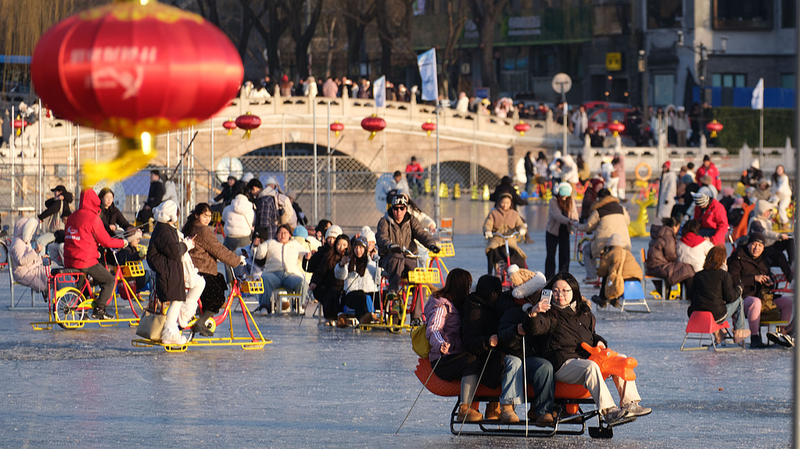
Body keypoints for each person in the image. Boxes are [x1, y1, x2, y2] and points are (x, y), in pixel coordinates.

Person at [526, 272, 651, 425]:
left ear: (574, 291)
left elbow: (592, 335)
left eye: (565, 290)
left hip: (585, 357)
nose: (560, 295)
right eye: (556, 290)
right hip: (562, 363)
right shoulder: (547, 313)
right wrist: (533, 313)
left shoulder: (583, 312)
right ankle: (609, 411)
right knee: (590, 367)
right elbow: (535, 329)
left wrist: (600, 342)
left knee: (621, 359)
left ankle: (630, 403)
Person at [425, 269, 500, 423]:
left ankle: (493, 404)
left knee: (487, 358)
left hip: (456, 354)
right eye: (468, 284)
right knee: (471, 360)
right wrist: (440, 344)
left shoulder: (458, 304)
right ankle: (464, 408)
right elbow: (434, 328)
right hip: (443, 359)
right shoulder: (442, 305)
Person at [496, 267, 556, 426]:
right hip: (512, 353)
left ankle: (542, 410)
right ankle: (507, 407)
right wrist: (516, 330)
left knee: (545, 367)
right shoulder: (511, 310)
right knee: (514, 363)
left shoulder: (546, 311)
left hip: (531, 356)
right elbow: (502, 336)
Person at [182, 203, 247, 335]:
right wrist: (236, 260)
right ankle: (201, 322)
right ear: (197, 215)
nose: (207, 219)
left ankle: (203, 318)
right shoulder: (203, 230)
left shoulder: (190, 227)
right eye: (205, 216)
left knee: (219, 279)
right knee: (217, 297)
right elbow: (218, 249)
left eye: (209, 216)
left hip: (194, 268)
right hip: (202, 270)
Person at [147, 200, 205, 345]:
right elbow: (174, 251)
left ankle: (174, 329)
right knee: (176, 301)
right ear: (172, 215)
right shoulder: (163, 230)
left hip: (170, 271)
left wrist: (185, 244)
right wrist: (187, 245)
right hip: (168, 273)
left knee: (177, 301)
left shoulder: (164, 228)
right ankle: (170, 334)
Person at [63, 189, 127, 320]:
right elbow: (106, 241)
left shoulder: (73, 216)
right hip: (85, 260)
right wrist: (122, 243)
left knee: (81, 284)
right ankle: (100, 308)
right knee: (109, 281)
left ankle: (83, 310)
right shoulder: (93, 218)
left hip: (70, 259)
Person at [376, 195, 440, 324]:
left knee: (420, 280)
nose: (398, 212)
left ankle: (416, 317)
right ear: (392, 209)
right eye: (395, 209)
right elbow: (381, 237)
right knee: (397, 257)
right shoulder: (385, 221)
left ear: (406, 209)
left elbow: (421, 233)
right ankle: (393, 291)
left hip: (408, 258)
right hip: (390, 258)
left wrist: (431, 244)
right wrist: (390, 245)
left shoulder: (411, 220)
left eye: (401, 208)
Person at [728, 232, 794, 348]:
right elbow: (732, 281)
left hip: (764, 296)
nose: (756, 248)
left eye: (760, 245)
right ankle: (755, 337)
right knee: (755, 302)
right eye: (754, 244)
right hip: (744, 298)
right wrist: (754, 279)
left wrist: (770, 282)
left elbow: (769, 278)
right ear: (748, 245)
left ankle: (782, 335)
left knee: (787, 302)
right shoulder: (737, 258)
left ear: (763, 248)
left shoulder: (764, 259)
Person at [461, 275, 507, 422]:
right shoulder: (476, 311)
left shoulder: (488, 306)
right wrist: (487, 342)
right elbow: (468, 340)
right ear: (493, 294)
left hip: (489, 351)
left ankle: (494, 405)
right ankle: (466, 407)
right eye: (499, 292)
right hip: (479, 353)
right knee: (498, 361)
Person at [687, 246, 749, 344]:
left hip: (696, 315)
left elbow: (691, 296)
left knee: (712, 304)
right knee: (739, 300)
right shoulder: (724, 275)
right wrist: (739, 288)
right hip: (716, 316)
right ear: (723, 260)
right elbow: (731, 298)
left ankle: (719, 334)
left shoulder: (698, 275)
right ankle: (739, 331)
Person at [254, 224, 310, 316]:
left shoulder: (294, 244)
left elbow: (303, 253)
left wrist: (307, 255)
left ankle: (299, 305)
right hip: (273, 274)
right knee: (265, 279)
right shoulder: (270, 243)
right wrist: (257, 246)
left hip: (290, 275)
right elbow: (259, 255)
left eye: (285, 233)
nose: (282, 235)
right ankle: (264, 306)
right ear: (276, 234)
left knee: (302, 282)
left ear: (289, 235)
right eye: (280, 233)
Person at [577, 188, 631, 284]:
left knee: (586, 249)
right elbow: (628, 222)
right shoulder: (622, 209)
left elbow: (588, 227)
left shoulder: (599, 211)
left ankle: (592, 276)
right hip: (624, 243)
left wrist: (577, 226)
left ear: (599, 198)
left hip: (604, 244)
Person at [335, 236, 379, 325]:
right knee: (360, 295)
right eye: (356, 248)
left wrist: (379, 265)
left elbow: (378, 280)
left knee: (384, 295)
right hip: (352, 295)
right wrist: (341, 265)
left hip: (370, 293)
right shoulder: (349, 262)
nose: (358, 250)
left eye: (360, 248)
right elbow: (340, 276)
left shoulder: (372, 264)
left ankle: (395, 315)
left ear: (365, 249)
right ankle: (363, 317)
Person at [645, 217, 695, 295]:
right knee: (688, 269)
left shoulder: (660, 233)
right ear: (674, 227)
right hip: (659, 267)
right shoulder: (668, 236)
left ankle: (683, 294)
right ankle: (690, 295)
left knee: (684, 269)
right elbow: (671, 256)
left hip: (653, 266)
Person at [748, 200, 794, 282]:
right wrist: (779, 236)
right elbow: (764, 232)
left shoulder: (767, 221)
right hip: (762, 249)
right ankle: (792, 279)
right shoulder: (755, 222)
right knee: (781, 256)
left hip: (771, 245)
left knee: (790, 241)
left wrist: (786, 235)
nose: (769, 213)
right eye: (767, 211)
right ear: (761, 211)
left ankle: (793, 264)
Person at [593, 233, 643, 309]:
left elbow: (601, 272)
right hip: (637, 279)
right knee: (617, 275)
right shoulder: (627, 252)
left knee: (607, 276)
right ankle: (615, 299)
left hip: (622, 280)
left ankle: (602, 299)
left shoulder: (610, 253)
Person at [484, 193, 528, 274]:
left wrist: (522, 229)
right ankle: (490, 275)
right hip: (496, 241)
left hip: (510, 241)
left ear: (511, 203)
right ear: (499, 202)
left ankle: (520, 277)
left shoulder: (514, 214)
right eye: (503, 202)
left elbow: (520, 224)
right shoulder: (493, 213)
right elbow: (488, 224)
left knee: (519, 257)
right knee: (491, 254)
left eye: (507, 203)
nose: (505, 205)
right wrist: (487, 230)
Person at [311, 234, 349, 325]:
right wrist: (314, 282)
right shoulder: (329, 257)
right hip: (330, 284)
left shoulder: (350, 258)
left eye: (344, 245)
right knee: (329, 293)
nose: (341, 248)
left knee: (337, 293)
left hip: (345, 285)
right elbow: (320, 271)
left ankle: (340, 317)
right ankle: (330, 317)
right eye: (339, 245)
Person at [545, 182, 578, 279]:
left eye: (566, 195)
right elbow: (557, 216)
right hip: (552, 231)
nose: (564, 197)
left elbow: (574, 213)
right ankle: (549, 277)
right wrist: (570, 221)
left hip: (565, 230)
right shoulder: (553, 201)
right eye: (562, 195)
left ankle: (563, 276)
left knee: (564, 255)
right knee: (551, 256)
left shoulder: (571, 200)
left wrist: (575, 221)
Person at [10, 217, 48, 293]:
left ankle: (56, 293)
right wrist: (35, 251)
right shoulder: (17, 243)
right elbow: (21, 261)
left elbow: (31, 258)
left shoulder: (26, 241)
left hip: (29, 269)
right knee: (45, 279)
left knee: (47, 271)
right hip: (22, 273)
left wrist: (40, 258)